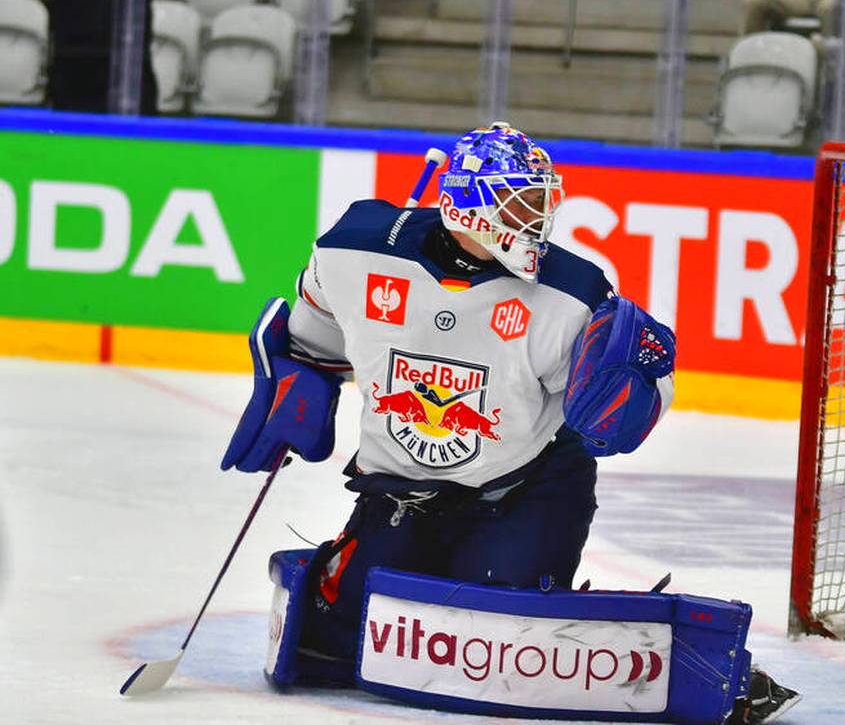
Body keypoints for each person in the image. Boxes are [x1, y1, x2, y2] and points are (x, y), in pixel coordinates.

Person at [220, 122, 800, 723]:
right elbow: (314, 341)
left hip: (526, 489)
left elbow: (613, 406)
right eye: (519, 201)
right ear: (465, 203)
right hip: (401, 493)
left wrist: (646, 389)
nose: (538, 217)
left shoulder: (570, 293)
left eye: (541, 200)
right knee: (335, 640)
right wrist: (296, 386)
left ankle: (675, 660)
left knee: (505, 645)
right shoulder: (352, 251)